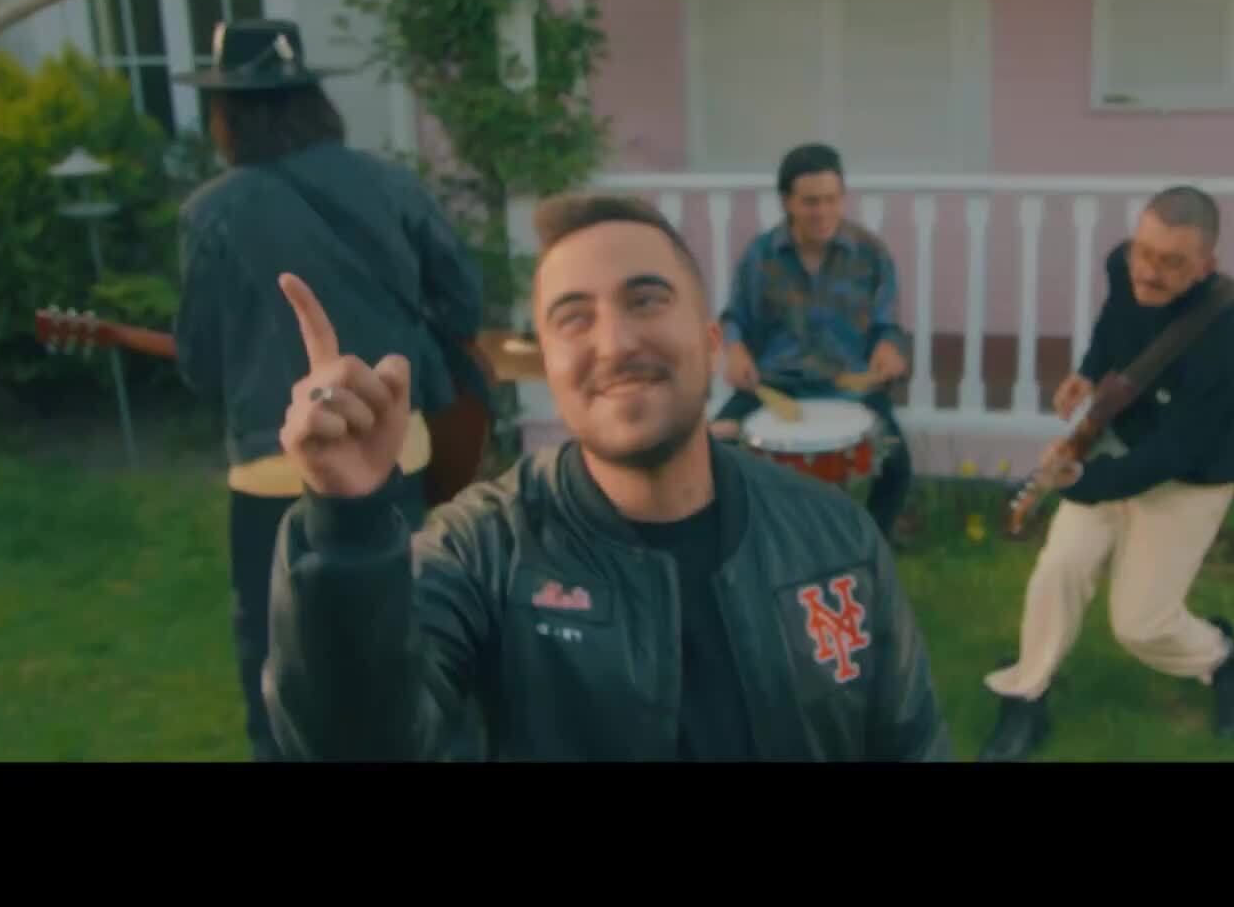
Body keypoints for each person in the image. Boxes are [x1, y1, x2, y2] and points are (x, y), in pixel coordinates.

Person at [259, 193, 952, 761]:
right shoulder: (484, 551)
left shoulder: (834, 540)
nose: (616, 344)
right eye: (574, 318)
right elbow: (358, 745)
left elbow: (910, 744)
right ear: (548, 365)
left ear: (711, 342)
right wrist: (346, 523)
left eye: (646, 300)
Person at [170, 19, 487, 762]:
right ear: (313, 100)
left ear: (226, 114)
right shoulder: (391, 184)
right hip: (396, 450)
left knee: (280, 667)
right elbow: (462, 304)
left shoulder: (212, 212)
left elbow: (200, 365)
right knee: (401, 636)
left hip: (274, 465)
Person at [976, 186, 1234, 762]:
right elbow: (1116, 323)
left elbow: (1173, 453)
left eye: (1171, 262)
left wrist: (1082, 482)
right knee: (1061, 567)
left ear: (1206, 266)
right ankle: (1027, 693)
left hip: (1191, 475)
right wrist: (1088, 372)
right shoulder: (1124, 266)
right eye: (1144, 253)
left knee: (1141, 624)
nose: (1149, 272)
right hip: (1121, 441)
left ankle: (1221, 657)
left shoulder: (1226, 337)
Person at [709, 143, 914, 543]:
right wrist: (734, 349)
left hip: (849, 388)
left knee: (896, 466)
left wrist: (889, 349)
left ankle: (868, 548)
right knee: (716, 454)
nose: (823, 212)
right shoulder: (760, 256)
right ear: (787, 202)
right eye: (811, 202)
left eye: (832, 200)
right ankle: (747, 546)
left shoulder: (871, 254)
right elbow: (734, 318)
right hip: (775, 386)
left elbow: (888, 326)